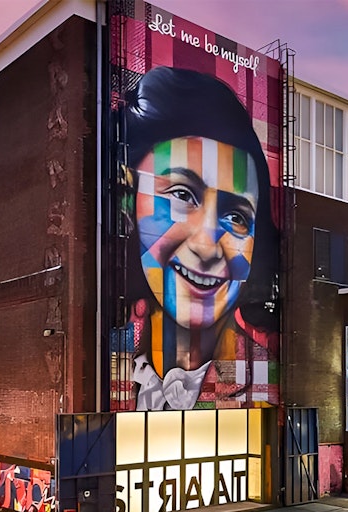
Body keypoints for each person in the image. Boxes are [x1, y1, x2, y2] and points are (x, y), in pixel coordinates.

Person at [114, 66, 278, 411]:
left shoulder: (264, 384)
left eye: (237, 217)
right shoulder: (105, 352)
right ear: (128, 200)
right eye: (182, 195)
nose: (206, 245)